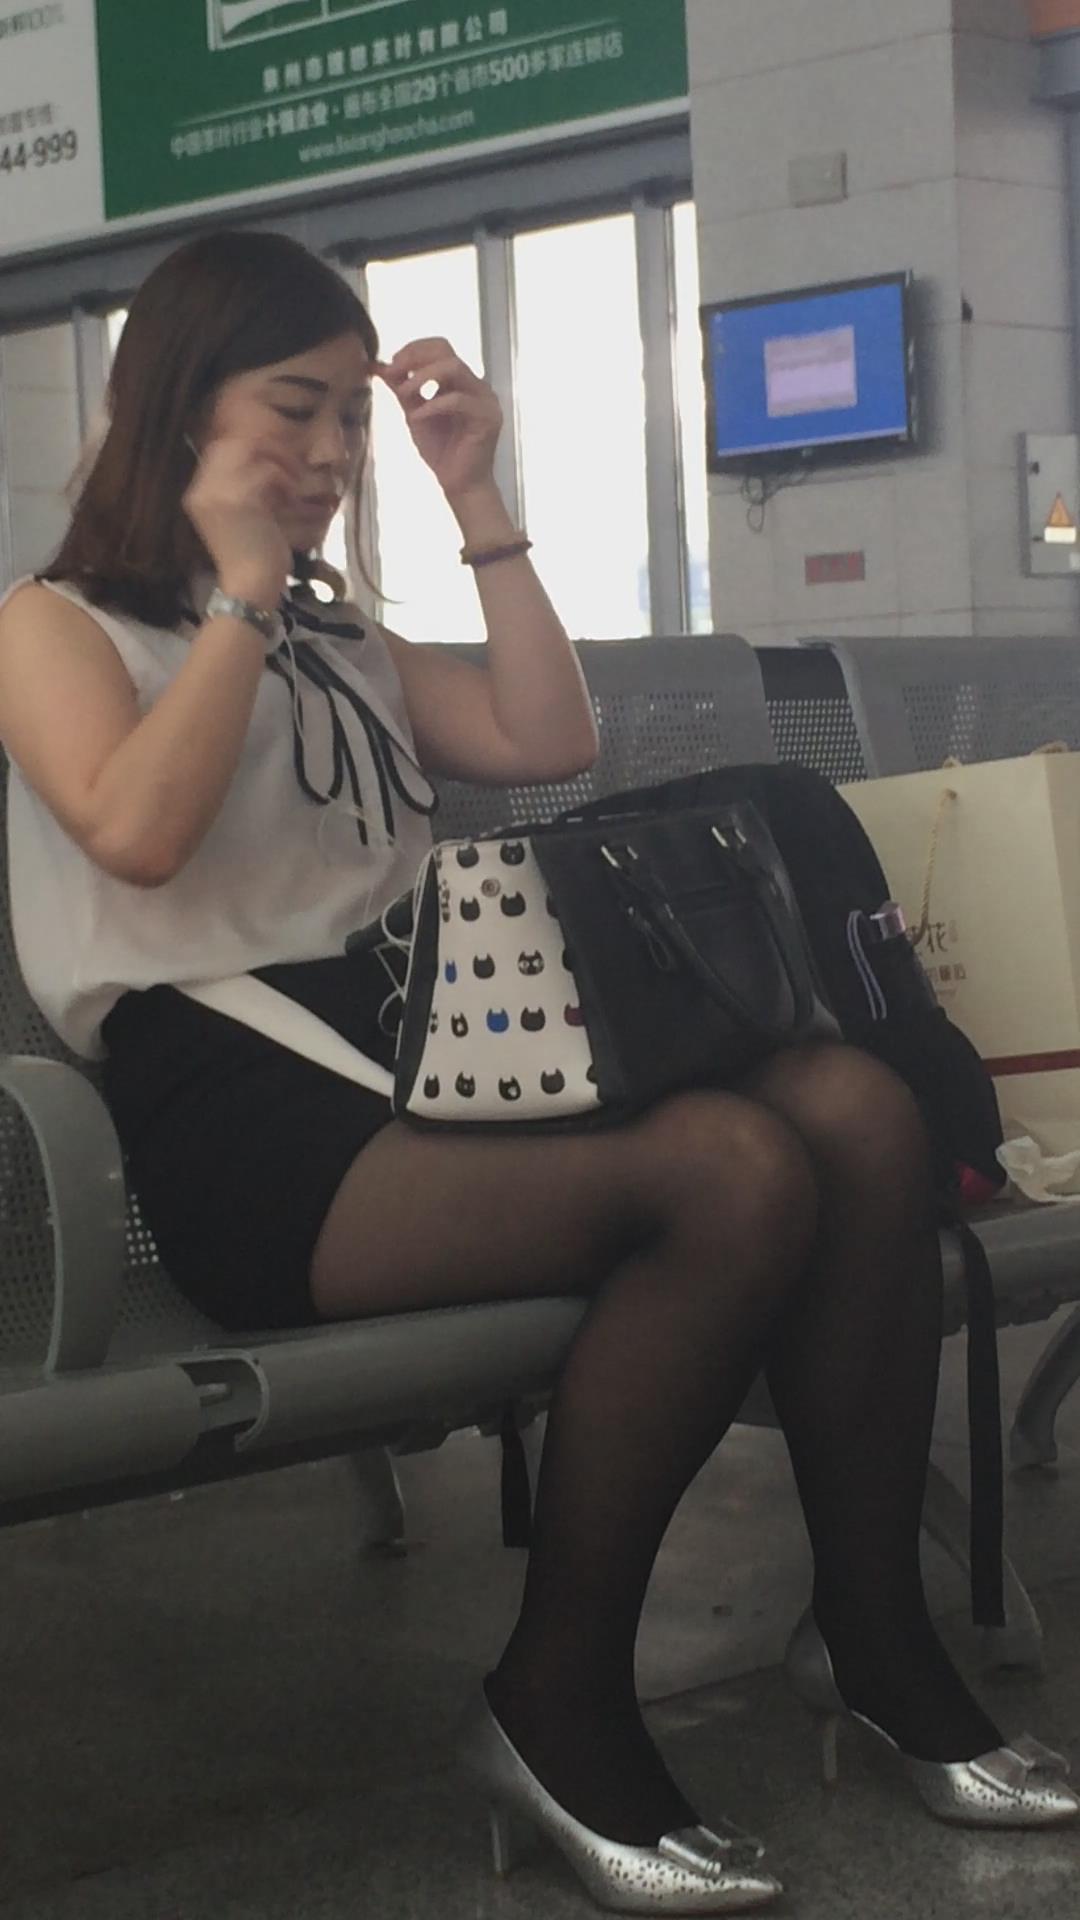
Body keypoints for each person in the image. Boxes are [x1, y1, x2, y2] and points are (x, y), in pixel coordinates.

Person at [0, 229, 1073, 1915]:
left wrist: (476, 498)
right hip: (239, 1117)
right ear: (180, 408)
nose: (332, 454)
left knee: (854, 1111)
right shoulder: (55, 625)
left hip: (418, 1050)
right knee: (730, 1172)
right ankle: (555, 1697)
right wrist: (240, 600)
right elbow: (136, 833)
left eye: (352, 418)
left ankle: (876, 1637)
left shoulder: (338, 641)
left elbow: (546, 738)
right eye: (296, 408)